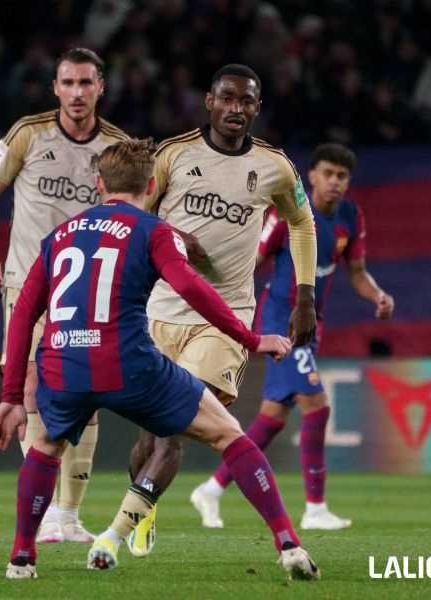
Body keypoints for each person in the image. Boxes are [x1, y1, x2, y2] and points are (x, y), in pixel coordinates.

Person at [0, 139, 319, 581]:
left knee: (47, 447)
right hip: (127, 363)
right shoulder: (153, 230)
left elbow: (25, 311)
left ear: (97, 183)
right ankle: (288, 542)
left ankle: (21, 558)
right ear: (150, 185)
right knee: (227, 434)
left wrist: (11, 395)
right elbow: (189, 286)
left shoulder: (60, 235)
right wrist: (249, 336)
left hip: (64, 362)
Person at [112, 63, 319, 558]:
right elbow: (134, 213)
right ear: (209, 101)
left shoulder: (274, 166)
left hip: (224, 317)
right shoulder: (173, 154)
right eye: (227, 98)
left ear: (256, 108)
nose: (235, 108)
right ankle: (145, 512)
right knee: (151, 433)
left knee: (173, 424)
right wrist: (176, 239)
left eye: (246, 101)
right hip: (159, 311)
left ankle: (116, 533)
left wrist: (305, 295)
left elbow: (303, 225)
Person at [0, 47, 129, 543]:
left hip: (87, 289)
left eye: (86, 83)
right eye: (67, 83)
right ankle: (44, 513)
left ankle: (70, 514)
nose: (76, 93)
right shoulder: (27, 133)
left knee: (86, 392)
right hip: (26, 281)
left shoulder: (118, 147)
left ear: (101, 87)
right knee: (32, 384)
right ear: (55, 88)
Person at [192, 143, 395, 530]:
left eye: (342, 176)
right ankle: (315, 508)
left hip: (309, 322)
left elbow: (356, 271)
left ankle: (212, 489)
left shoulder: (351, 216)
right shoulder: (288, 214)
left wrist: (378, 295)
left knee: (272, 419)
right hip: (280, 321)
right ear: (312, 175)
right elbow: (252, 260)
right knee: (318, 407)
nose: (335, 182)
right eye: (328, 174)